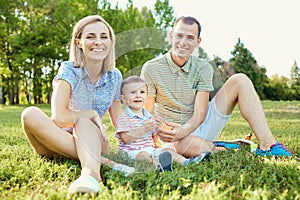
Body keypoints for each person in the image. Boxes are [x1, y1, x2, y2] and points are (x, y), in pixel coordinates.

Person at [140, 16, 292, 158]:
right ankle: (224, 147)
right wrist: (161, 133)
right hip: (172, 134)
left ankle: (268, 146)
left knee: (240, 80)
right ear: (171, 36)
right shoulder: (151, 68)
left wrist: (185, 130)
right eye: (179, 36)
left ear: (198, 42)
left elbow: (200, 113)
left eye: (190, 38)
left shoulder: (203, 67)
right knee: (190, 147)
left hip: (199, 123)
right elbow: (148, 112)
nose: (183, 42)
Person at [21, 15, 135, 196]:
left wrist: (143, 137)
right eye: (90, 37)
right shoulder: (68, 70)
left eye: (104, 37)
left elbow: (119, 121)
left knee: (83, 122)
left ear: (110, 42)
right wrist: (89, 112)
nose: (98, 42)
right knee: (29, 114)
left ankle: (91, 174)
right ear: (79, 42)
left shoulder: (114, 76)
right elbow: (59, 118)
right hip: (56, 138)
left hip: (95, 139)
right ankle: (105, 163)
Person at [115, 76, 211, 172]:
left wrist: (158, 129)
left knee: (168, 151)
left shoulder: (148, 116)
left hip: (150, 149)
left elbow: (154, 139)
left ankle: (187, 162)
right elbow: (126, 139)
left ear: (147, 97)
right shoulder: (124, 117)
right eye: (133, 92)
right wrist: (143, 129)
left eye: (142, 92)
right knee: (144, 155)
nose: (138, 95)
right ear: (124, 99)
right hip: (129, 153)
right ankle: (159, 167)